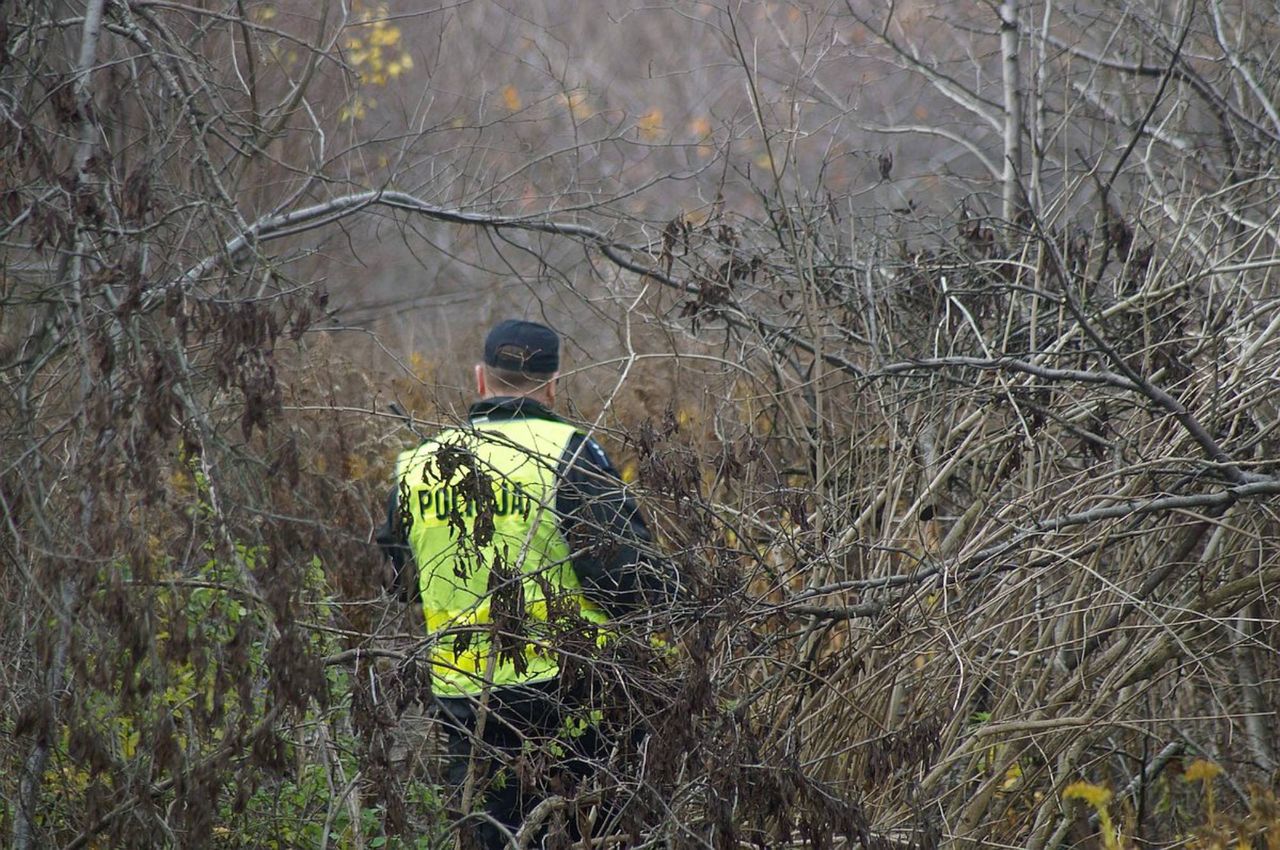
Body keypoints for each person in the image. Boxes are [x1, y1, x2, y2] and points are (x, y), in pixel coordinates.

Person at [377, 319, 673, 849]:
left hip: (467, 699)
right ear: (553, 384)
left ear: (480, 378)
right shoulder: (569, 452)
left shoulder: (416, 465)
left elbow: (400, 580)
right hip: (571, 693)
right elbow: (626, 577)